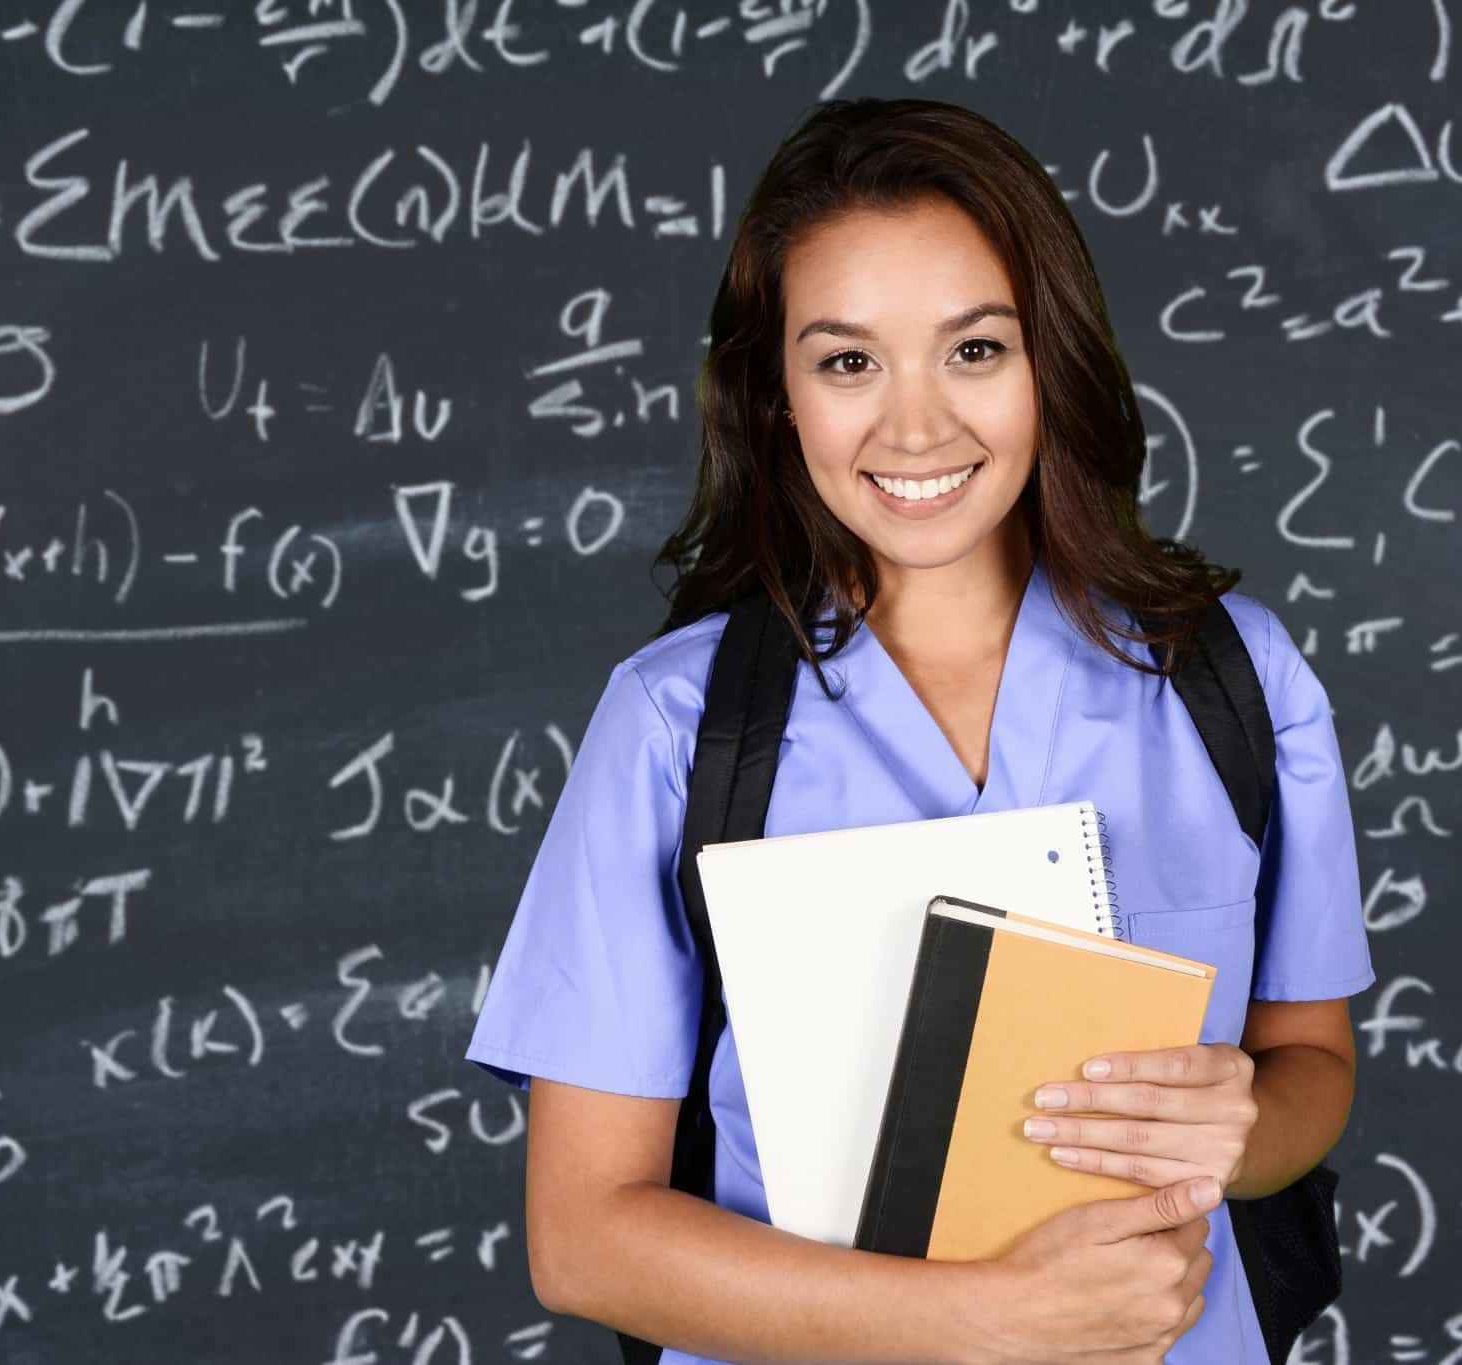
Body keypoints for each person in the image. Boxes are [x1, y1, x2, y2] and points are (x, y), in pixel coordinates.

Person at [465, 96, 1374, 1364]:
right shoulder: (678, 727)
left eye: (974, 350)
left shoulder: (1232, 676)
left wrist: (1239, 1124)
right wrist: (981, 1323)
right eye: (846, 362)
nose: (914, 428)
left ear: (1049, 355)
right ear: (775, 393)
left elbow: (1307, 1064)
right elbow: (582, 1240)